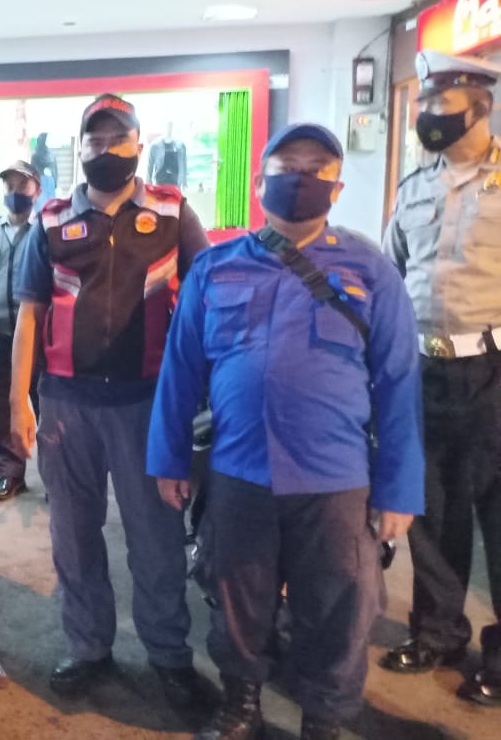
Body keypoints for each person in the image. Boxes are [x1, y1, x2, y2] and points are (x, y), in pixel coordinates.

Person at [148, 123, 424, 740]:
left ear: (337, 187)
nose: (300, 178)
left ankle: (324, 719)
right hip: (239, 470)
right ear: (258, 183)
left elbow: (400, 383)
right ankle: (241, 704)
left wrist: (400, 490)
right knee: (236, 595)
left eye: (316, 169)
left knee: (338, 606)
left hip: (336, 477)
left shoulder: (371, 272)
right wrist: (168, 459)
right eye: (286, 166)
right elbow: (179, 372)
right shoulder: (215, 268)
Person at [10, 94, 211, 703]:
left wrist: (204, 395)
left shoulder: (173, 214)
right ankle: (87, 647)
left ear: (138, 147)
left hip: (148, 404)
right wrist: (18, 400)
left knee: (155, 536)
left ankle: (168, 654)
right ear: (80, 150)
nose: (105, 150)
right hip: (65, 404)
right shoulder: (51, 222)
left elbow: (207, 303)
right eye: (94, 141)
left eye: (117, 139)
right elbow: (29, 315)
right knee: (74, 536)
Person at [381, 49, 501, 706]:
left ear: (480, 107)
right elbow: (393, 272)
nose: (427, 113)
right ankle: (438, 632)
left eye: (440, 103)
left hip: (494, 370)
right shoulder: (414, 187)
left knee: (498, 516)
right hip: (424, 368)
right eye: (424, 102)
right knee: (430, 508)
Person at [0, 160, 43, 501]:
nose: (15, 192)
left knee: (46, 404)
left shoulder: (45, 231)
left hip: (37, 336)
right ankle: (10, 473)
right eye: (10, 186)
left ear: (37, 190)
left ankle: (55, 476)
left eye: (23, 186)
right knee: (0, 406)